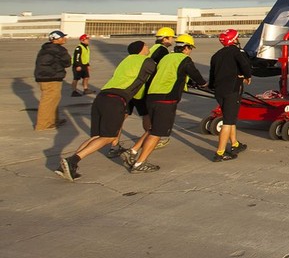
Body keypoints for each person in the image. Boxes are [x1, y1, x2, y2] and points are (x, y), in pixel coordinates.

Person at [56, 41, 157, 182]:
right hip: (115, 100)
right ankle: (72, 160)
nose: (148, 48)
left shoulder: (126, 61)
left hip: (102, 97)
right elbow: (158, 76)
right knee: (109, 137)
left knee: (97, 136)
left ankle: (68, 165)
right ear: (141, 49)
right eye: (146, 46)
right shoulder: (147, 61)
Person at [122, 34, 206, 173]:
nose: (190, 51)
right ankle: (139, 163)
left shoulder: (166, 57)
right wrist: (204, 84)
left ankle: (133, 150)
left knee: (153, 128)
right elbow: (195, 75)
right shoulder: (185, 59)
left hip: (152, 96)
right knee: (157, 133)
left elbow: (169, 74)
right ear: (186, 48)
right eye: (190, 48)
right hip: (166, 99)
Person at [122, 26, 177, 156]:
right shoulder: (162, 51)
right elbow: (159, 69)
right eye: (171, 38)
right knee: (147, 115)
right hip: (145, 87)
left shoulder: (153, 49)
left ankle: (113, 142)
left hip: (133, 86)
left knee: (124, 114)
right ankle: (151, 138)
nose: (173, 41)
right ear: (165, 39)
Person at [208, 29, 253, 161]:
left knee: (230, 117)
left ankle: (235, 144)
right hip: (232, 91)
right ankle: (220, 153)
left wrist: (210, 86)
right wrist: (247, 75)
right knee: (227, 121)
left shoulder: (216, 55)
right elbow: (245, 65)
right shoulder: (236, 52)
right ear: (234, 40)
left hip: (219, 91)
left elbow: (212, 76)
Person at [34, 30, 72, 130]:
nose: (65, 39)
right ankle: (43, 124)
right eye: (62, 37)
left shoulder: (45, 48)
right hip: (51, 78)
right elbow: (67, 62)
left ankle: (52, 120)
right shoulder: (59, 50)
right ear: (56, 39)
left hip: (43, 77)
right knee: (48, 100)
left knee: (53, 99)